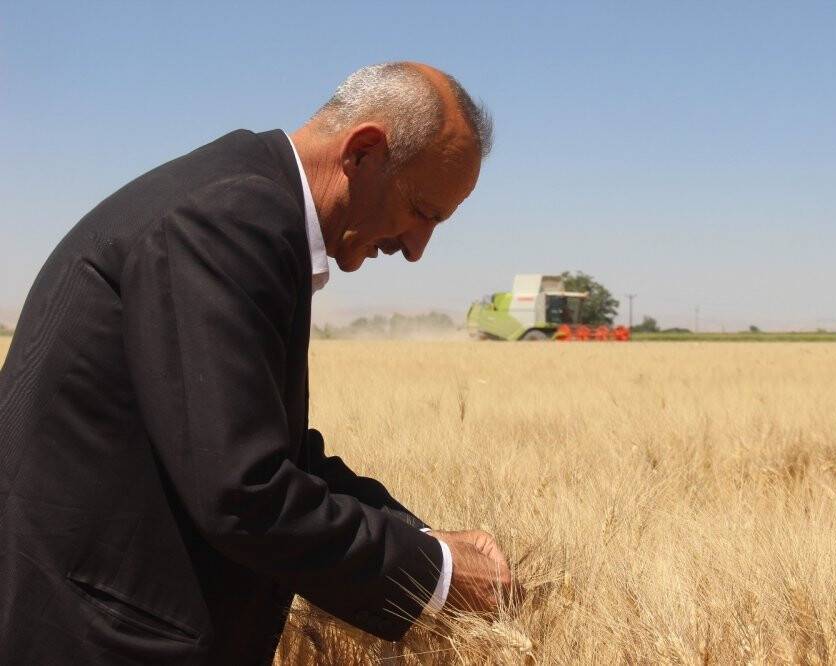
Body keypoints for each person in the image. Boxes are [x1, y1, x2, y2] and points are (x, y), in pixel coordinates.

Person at [0, 61, 512, 665]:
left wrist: (425, 542)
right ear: (365, 151)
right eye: (423, 211)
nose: (417, 248)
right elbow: (244, 490)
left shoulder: (238, 197)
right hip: (98, 638)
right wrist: (439, 580)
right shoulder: (233, 218)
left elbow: (272, 447)